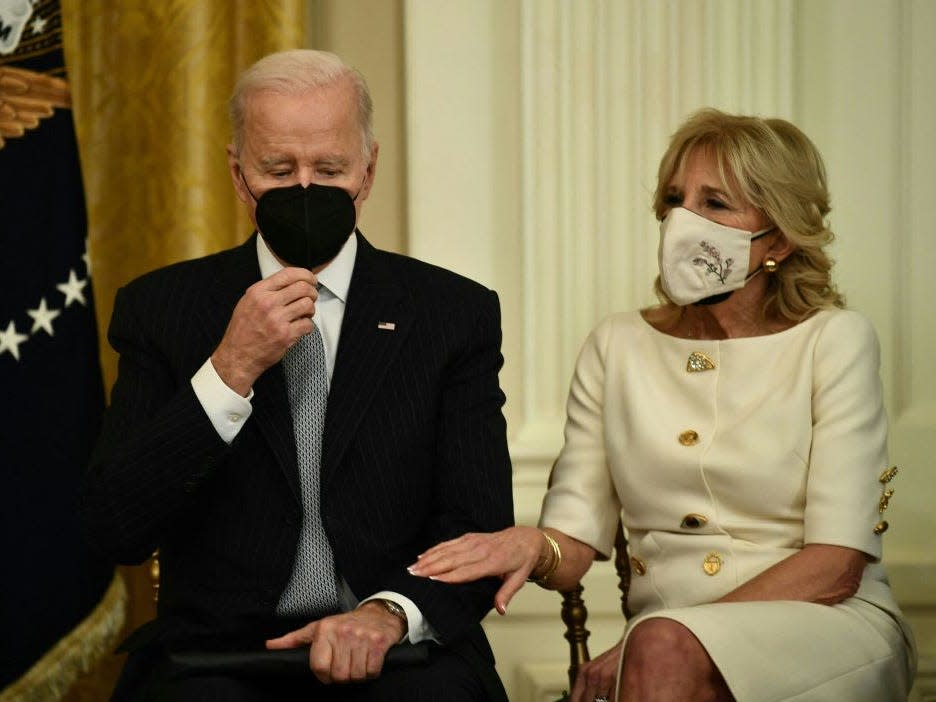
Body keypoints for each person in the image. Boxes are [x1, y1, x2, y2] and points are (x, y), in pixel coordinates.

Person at [411, 109, 917, 701]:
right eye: (676, 199)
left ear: (776, 237)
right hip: (662, 653)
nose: (684, 221)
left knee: (660, 650)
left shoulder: (835, 340)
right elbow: (572, 545)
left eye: (715, 203)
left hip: (827, 630)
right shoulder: (617, 344)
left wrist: (659, 637)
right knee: (662, 653)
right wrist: (529, 545)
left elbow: (835, 566)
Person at [81, 49, 513, 702]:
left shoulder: (451, 315)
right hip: (219, 654)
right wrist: (229, 370)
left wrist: (389, 614)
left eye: (330, 169)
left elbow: (477, 526)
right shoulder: (163, 309)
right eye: (279, 169)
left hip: (394, 647)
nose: (305, 188)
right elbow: (116, 526)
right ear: (237, 172)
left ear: (368, 171)